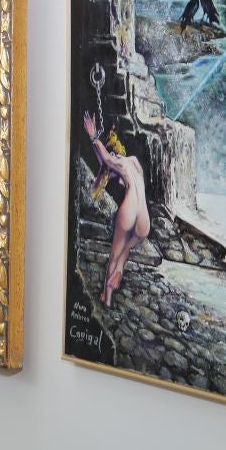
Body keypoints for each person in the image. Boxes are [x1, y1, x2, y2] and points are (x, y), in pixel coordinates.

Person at [82, 111, 149, 307]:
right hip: (144, 221)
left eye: (113, 153)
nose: (113, 155)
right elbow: (106, 162)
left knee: (114, 253)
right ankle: (119, 269)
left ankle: (107, 298)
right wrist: (105, 159)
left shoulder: (121, 163)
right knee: (124, 251)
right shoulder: (135, 163)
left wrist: (93, 135)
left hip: (129, 211)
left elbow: (107, 159)